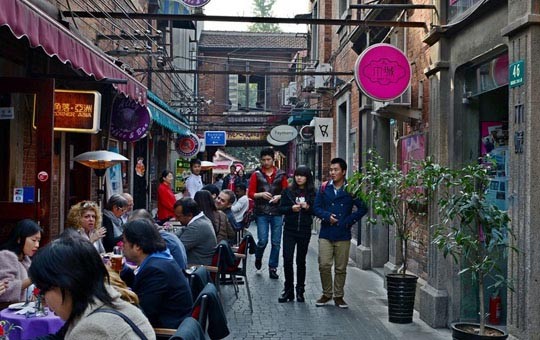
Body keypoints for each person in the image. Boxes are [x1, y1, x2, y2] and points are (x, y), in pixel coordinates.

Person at [28, 236, 154, 339]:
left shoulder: (92, 329)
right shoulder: (117, 305)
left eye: (44, 290)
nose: (44, 300)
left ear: (66, 284)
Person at [313, 158, 367, 309]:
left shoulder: (351, 189)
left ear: (343, 172)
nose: (332, 173)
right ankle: (326, 293)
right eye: (331, 170)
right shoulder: (324, 188)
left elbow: (363, 208)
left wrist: (348, 221)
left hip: (343, 233)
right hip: (326, 232)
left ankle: (339, 296)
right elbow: (315, 208)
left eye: (336, 170)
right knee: (324, 265)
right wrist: (326, 216)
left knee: (340, 268)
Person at [121, 219, 193, 329]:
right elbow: (141, 284)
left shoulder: (156, 271)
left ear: (137, 247)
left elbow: (142, 314)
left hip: (166, 331)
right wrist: (125, 270)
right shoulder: (159, 259)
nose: (122, 246)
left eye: (125, 242)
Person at [278, 166, 316, 303]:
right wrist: (290, 208)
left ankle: (300, 290)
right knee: (287, 259)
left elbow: (316, 210)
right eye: (297, 175)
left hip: (304, 230)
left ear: (307, 177)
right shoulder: (288, 191)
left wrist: (308, 208)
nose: (299, 178)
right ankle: (288, 289)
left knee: (301, 261)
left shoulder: (312, 193)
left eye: (302, 175)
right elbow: (280, 208)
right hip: (289, 229)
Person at [248, 147, 288, 279]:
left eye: (268, 159)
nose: (266, 162)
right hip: (262, 212)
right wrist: (260, 194)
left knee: (276, 242)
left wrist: (279, 197)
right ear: (261, 160)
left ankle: (273, 267)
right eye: (264, 160)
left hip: (277, 212)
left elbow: (287, 192)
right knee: (263, 241)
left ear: (273, 159)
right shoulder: (256, 174)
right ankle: (258, 257)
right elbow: (251, 193)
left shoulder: (281, 174)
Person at [0, 219, 42, 305]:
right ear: (19, 239)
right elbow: (6, 290)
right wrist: (34, 277)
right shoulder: (6, 256)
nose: (37, 245)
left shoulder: (26, 259)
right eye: (34, 240)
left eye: (38, 241)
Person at [174, 198, 217, 266]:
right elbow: (183, 230)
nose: (176, 219)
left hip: (196, 267)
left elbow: (176, 249)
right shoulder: (202, 220)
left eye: (178, 216)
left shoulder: (197, 227)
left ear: (189, 215)